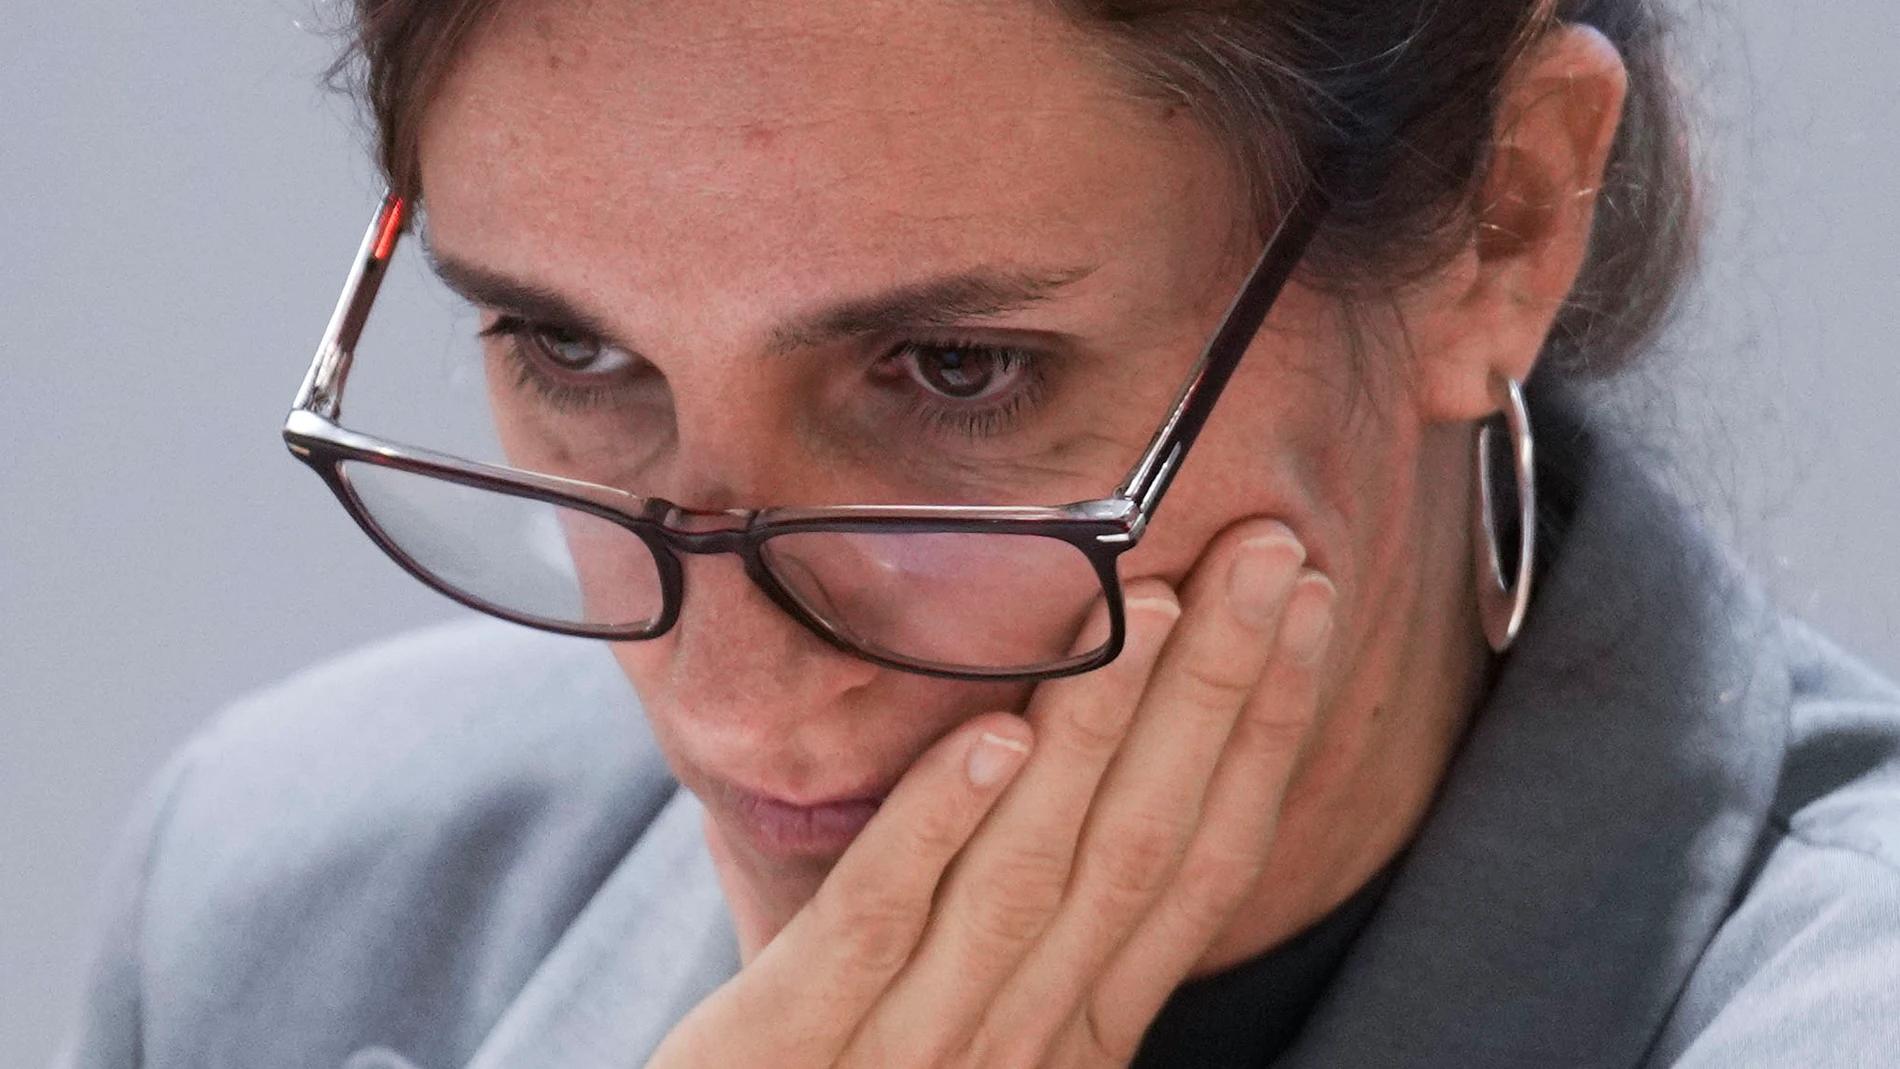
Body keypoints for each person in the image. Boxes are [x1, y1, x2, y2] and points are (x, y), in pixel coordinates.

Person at [59, 0, 1900, 1067]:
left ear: (1498, 223)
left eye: (955, 373)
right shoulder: (285, 915)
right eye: (572, 348)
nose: (739, 708)